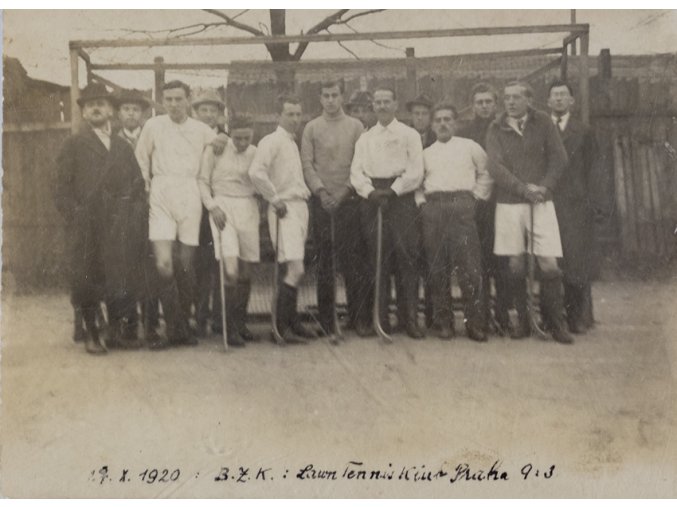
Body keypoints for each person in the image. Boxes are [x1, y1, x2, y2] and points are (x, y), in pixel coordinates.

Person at [55, 83, 146, 354]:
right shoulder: (73, 144)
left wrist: (129, 213)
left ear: (111, 111)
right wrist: (76, 216)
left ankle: (115, 333)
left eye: (101, 103)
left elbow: (137, 183)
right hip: (87, 224)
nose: (95, 107)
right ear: (83, 113)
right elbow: (60, 188)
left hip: (117, 224)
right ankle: (92, 335)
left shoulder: (121, 146)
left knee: (117, 276)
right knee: (87, 277)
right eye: (89, 104)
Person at [485, 81, 573, 344]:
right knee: (515, 263)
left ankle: (556, 323)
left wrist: (544, 188)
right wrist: (523, 189)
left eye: (516, 97)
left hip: (541, 202)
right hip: (510, 204)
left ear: (529, 100)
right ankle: (522, 322)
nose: (510, 102)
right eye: (506, 97)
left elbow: (559, 159)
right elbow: (495, 167)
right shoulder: (496, 126)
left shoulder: (544, 122)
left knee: (548, 263)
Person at [135, 80, 217, 349]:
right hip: (161, 193)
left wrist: (224, 139)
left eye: (178, 99)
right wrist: (147, 189)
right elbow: (141, 160)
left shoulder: (202, 130)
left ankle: (181, 327)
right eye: (168, 99)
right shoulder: (153, 126)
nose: (172, 104)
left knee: (185, 265)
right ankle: (174, 328)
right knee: (163, 265)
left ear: (188, 99)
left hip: (189, 193)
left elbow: (221, 145)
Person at [350, 87, 425, 339]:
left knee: (407, 257)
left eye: (386, 101)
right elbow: (356, 172)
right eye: (377, 102)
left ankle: (409, 319)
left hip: (401, 198)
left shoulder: (409, 134)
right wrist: (370, 192)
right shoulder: (365, 138)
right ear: (373, 106)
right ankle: (380, 319)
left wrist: (393, 191)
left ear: (395, 104)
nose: (381, 106)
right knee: (378, 259)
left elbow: (416, 170)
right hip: (373, 199)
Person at [301, 79, 373, 338]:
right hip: (322, 204)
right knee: (325, 263)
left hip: (349, 202)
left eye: (334, 95)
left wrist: (343, 193)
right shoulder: (311, 128)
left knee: (353, 261)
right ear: (320, 99)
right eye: (325, 95)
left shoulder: (356, 127)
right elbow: (307, 164)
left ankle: (359, 319)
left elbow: (360, 163)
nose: (330, 100)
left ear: (342, 97)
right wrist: (320, 192)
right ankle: (327, 321)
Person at [417, 103, 493, 341]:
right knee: (438, 269)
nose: (442, 123)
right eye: (438, 120)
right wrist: (422, 204)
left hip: (462, 207)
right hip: (434, 209)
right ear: (432, 125)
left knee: (470, 269)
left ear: (455, 123)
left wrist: (476, 198)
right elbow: (416, 183)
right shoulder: (426, 153)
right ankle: (444, 323)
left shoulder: (470, 147)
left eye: (447, 119)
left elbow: (486, 173)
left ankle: (474, 324)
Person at [249, 95, 314, 344]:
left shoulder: (291, 142)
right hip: (284, 208)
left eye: (298, 114)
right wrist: (274, 199)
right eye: (290, 114)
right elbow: (256, 172)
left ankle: (292, 323)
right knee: (295, 269)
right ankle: (279, 327)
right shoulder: (271, 141)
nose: (295, 119)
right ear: (280, 115)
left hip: (299, 207)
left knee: (294, 268)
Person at [547, 79, 605, 334]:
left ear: (572, 101)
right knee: (550, 260)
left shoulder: (583, 131)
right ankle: (551, 317)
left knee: (575, 260)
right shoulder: (542, 129)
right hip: (547, 202)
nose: (559, 99)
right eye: (554, 96)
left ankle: (577, 317)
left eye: (563, 95)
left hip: (575, 205)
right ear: (548, 102)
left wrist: (593, 201)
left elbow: (594, 170)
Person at [199, 114, 259, 347]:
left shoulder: (256, 152)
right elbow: (203, 181)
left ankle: (239, 323)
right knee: (230, 269)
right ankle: (227, 326)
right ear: (230, 133)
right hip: (222, 208)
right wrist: (212, 206)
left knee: (245, 271)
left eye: (247, 138)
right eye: (237, 138)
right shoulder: (217, 149)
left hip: (248, 208)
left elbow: (263, 179)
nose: (242, 143)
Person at [457, 82, 513, 335]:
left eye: (488, 102)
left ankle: (503, 315)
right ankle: (480, 316)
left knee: (501, 261)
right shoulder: (465, 132)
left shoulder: (505, 129)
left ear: (495, 104)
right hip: (476, 204)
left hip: (501, 202)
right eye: (479, 102)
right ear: (473, 105)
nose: (483, 106)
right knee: (476, 262)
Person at [115, 89, 161, 344]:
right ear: (118, 114)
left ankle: (152, 324)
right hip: (124, 213)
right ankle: (130, 323)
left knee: (151, 267)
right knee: (127, 268)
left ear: (143, 114)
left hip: (151, 208)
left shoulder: (152, 137)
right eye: (126, 109)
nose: (131, 113)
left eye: (135, 109)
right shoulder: (112, 141)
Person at [192, 89, 228, 336]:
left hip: (218, 208)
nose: (208, 115)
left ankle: (220, 319)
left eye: (212, 111)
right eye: (203, 110)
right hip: (193, 207)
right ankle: (199, 318)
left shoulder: (223, 140)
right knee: (199, 266)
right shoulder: (190, 136)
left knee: (220, 264)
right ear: (195, 113)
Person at [406, 93, 436, 329]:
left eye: (424, 114)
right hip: (408, 207)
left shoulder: (439, 137)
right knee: (412, 260)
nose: (420, 118)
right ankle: (411, 316)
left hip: (433, 205)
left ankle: (433, 315)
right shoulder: (404, 138)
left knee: (433, 260)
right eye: (416, 114)